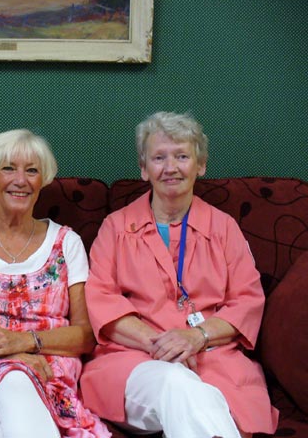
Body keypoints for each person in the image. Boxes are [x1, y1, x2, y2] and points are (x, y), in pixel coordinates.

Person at [80, 112, 279, 438]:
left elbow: (247, 300)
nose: (170, 167)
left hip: (212, 358)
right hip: (134, 361)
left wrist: (196, 336)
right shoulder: (116, 227)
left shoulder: (224, 228)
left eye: (182, 156)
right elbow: (100, 298)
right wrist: (160, 347)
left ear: (200, 165)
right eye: (159, 158)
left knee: (196, 392)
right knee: (176, 382)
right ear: (144, 169)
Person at [0, 129, 111, 438]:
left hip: (49, 365)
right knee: (14, 380)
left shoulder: (68, 243)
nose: (20, 180)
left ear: (43, 180)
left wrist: (26, 343)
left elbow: (85, 335)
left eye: (32, 170)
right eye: (8, 168)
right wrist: (9, 354)